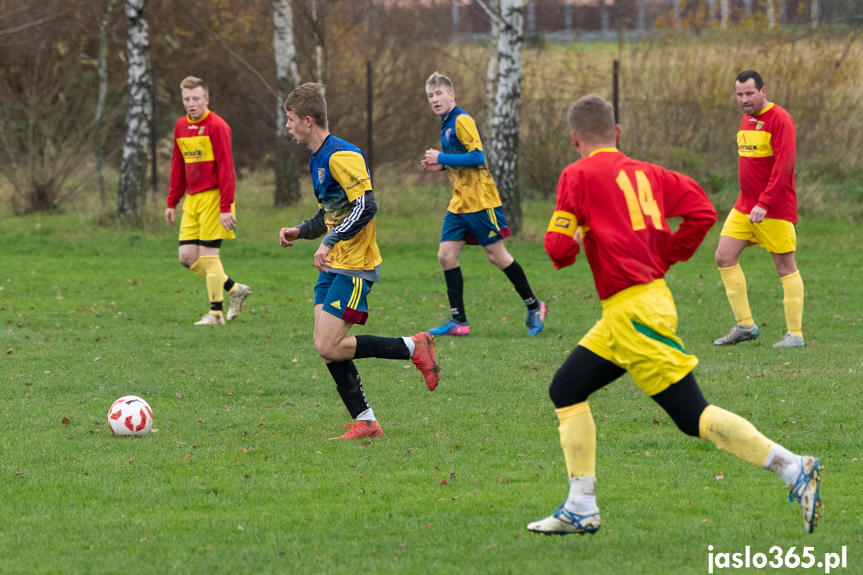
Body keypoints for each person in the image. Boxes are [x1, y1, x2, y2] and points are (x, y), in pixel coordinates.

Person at [527, 94, 822, 536]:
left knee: (691, 415)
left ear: (575, 140)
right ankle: (580, 506)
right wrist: (666, 254)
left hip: (634, 311)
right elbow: (702, 212)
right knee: (566, 388)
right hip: (635, 304)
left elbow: (558, 250)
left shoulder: (577, 174)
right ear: (618, 134)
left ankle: (792, 467)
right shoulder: (650, 173)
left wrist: (573, 234)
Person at [278, 82, 440, 440]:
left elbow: (366, 206)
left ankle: (414, 346)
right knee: (327, 348)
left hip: (355, 264)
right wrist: (301, 231)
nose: (287, 126)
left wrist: (330, 240)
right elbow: (331, 213)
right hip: (333, 261)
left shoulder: (341, 155)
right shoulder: (317, 158)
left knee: (328, 344)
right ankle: (366, 421)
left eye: (290, 119)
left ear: (308, 119)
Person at [420, 72, 546, 336]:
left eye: (439, 93)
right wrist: (442, 165)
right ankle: (459, 321)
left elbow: (478, 157)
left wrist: (441, 155)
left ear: (452, 95)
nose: (434, 99)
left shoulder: (462, 120)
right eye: (430, 95)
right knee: (446, 256)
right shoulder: (446, 124)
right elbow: (461, 159)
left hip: (480, 200)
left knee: (497, 256)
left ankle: (534, 306)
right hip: (459, 203)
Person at [714, 70, 805, 348]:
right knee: (723, 257)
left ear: (764, 90)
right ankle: (745, 325)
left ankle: (795, 335)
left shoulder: (780, 120)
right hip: (744, 207)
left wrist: (764, 203)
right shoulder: (747, 118)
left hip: (773, 209)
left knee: (785, 267)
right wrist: (752, 202)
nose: (744, 99)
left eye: (749, 93)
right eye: (740, 94)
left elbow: (784, 165)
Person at [165, 76, 250, 325]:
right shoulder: (180, 126)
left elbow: (227, 170)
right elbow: (178, 166)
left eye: (196, 98)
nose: (191, 103)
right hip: (192, 201)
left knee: (210, 258)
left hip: (214, 199)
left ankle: (215, 313)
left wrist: (226, 207)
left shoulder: (218, 126)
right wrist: (172, 202)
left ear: (206, 99)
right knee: (187, 258)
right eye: (186, 99)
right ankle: (235, 289)